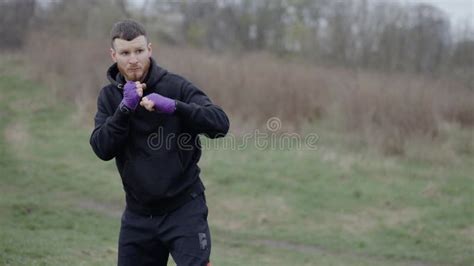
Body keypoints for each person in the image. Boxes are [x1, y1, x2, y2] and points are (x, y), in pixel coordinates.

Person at [89, 19, 229, 266]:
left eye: (139, 51)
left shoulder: (176, 86)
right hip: (138, 215)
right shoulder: (109, 97)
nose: (133, 59)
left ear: (150, 50)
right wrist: (123, 110)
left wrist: (175, 107)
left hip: (184, 208)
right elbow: (101, 148)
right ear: (114, 55)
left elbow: (220, 124)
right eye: (125, 53)